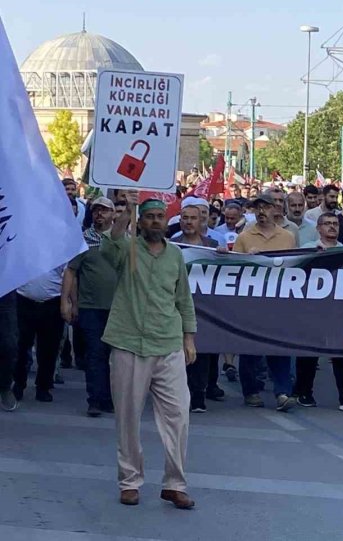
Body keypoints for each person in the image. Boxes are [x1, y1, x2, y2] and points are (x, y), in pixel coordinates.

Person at [101, 195, 197, 509]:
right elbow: (111, 241)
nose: (155, 221)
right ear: (140, 222)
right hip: (129, 342)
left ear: (166, 221)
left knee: (178, 415)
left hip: (168, 343)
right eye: (149, 216)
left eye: (160, 216)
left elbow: (184, 298)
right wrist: (127, 210)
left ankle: (175, 484)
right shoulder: (127, 249)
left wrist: (189, 338)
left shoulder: (175, 255)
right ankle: (130, 481)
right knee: (128, 417)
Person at [232, 192, 298, 411]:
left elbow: (295, 266)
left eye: (266, 207)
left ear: (274, 209)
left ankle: (283, 392)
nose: (261, 211)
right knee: (250, 348)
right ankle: (251, 391)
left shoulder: (287, 237)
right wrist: (247, 259)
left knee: (279, 347)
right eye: (258, 207)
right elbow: (233, 268)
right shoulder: (244, 237)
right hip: (252, 302)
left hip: (278, 301)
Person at [292, 217, 343, 413]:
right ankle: (303, 392)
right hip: (312, 309)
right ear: (319, 228)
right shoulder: (308, 248)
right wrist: (311, 256)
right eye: (327, 224)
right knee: (308, 354)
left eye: (335, 224)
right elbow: (294, 269)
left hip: (337, 309)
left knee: (341, 354)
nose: (332, 227)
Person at [62, 196, 117, 417]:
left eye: (104, 210)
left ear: (113, 214)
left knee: (116, 357)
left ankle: (109, 399)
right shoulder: (84, 240)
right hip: (90, 307)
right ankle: (94, 400)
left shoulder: (123, 241)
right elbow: (71, 271)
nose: (99, 214)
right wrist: (66, 301)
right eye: (96, 210)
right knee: (95, 354)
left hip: (118, 309)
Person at [170, 204, 221, 414]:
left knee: (203, 350)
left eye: (193, 218)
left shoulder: (213, 246)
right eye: (185, 218)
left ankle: (198, 395)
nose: (189, 222)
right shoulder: (171, 245)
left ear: (201, 221)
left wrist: (225, 256)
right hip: (177, 303)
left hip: (205, 306)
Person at [13, 264, 65, 403]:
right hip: (24, 300)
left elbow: (68, 275)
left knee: (49, 348)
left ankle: (43, 387)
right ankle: (18, 384)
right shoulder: (24, 252)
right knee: (21, 346)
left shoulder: (60, 253)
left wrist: (67, 302)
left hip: (52, 302)